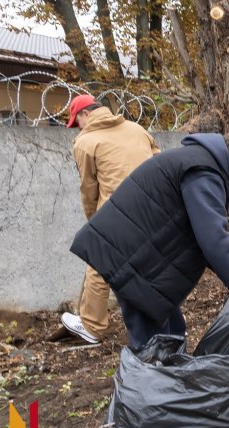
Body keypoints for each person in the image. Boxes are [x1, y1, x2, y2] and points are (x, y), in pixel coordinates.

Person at [70, 133, 229, 348]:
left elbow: (203, 236)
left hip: (137, 259)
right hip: (130, 260)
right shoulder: (202, 171)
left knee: (172, 335)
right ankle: (145, 381)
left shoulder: (198, 162)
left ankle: (166, 378)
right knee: (153, 346)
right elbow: (213, 240)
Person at [60, 94, 160, 344]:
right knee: (146, 266)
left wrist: (94, 222)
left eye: (76, 121)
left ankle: (92, 326)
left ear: (85, 114)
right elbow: (160, 163)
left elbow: (88, 188)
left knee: (98, 261)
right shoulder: (137, 129)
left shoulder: (85, 142)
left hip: (117, 211)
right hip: (152, 209)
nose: (77, 127)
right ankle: (156, 322)